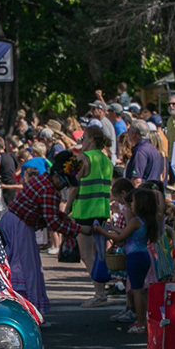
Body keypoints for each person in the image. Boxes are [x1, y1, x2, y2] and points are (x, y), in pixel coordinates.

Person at [1, 151, 81, 324]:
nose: (64, 187)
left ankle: (28, 312)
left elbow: (52, 215)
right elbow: (53, 222)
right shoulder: (48, 190)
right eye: (64, 183)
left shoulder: (43, 180)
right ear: (57, 176)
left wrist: (69, 222)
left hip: (16, 222)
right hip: (20, 226)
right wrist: (76, 230)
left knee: (28, 268)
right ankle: (28, 314)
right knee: (25, 269)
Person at [89, 187, 160, 334]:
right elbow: (127, 234)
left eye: (133, 202)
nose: (130, 205)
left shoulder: (135, 221)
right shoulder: (146, 220)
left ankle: (141, 323)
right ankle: (144, 321)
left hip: (134, 257)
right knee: (140, 290)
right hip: (143, 255)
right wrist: (113, 228)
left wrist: (102, 231)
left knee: (137, 291)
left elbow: (120, 238)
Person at [73, 126, 114, 306]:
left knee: (87, 255)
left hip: (84, 211)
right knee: (100, 254)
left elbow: (74, 185)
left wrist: (67, 209)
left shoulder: (84, 158)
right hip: (101, 211)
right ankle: (101, 292)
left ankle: (99, 294)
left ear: (90, 139)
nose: (82, 142)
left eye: (84, 138)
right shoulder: (107, 160)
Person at [124, 120, 165, 187]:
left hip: (143, 193)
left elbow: (137, 180)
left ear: (134, 134)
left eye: (129, 130)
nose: (127, 133)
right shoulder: (154, 149)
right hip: (154, 191)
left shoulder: (140, 151)